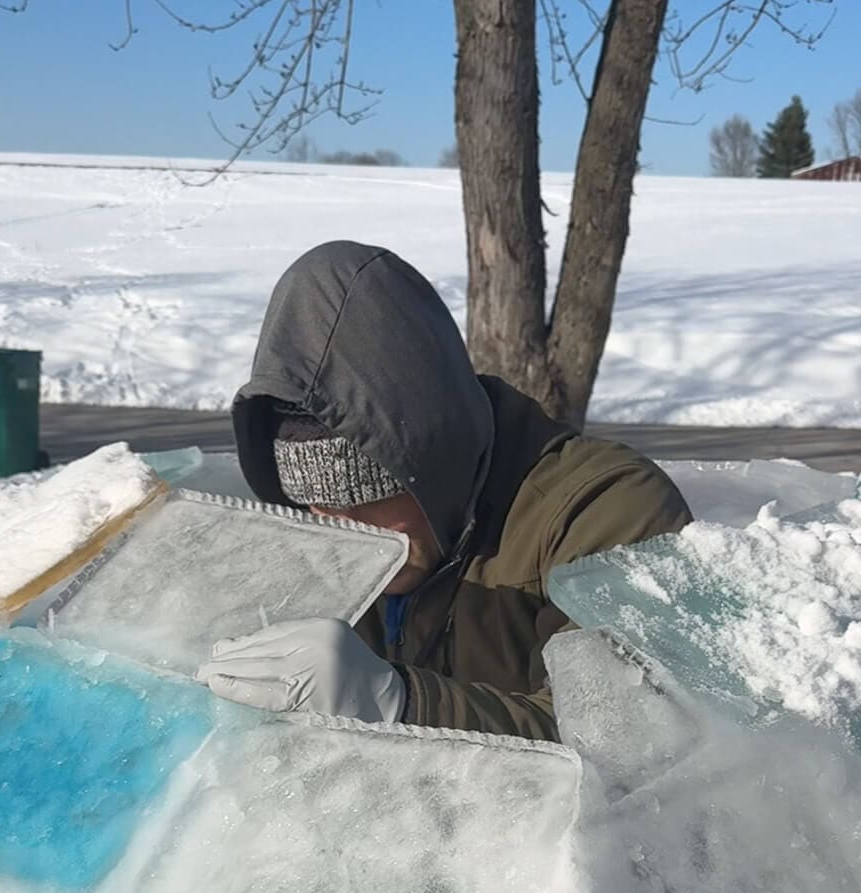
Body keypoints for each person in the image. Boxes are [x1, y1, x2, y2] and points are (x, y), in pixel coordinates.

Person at [198, 241, 692, 741]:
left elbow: (634, 743)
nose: (346, 534)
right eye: (318, 504)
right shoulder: (322, 535)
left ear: (431, 465)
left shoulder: (606, 509)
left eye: (366, 503)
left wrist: (404, 704)